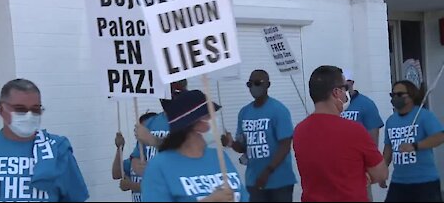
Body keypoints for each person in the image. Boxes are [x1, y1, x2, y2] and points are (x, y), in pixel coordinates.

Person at [0, 79, 89, 202]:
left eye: (35, 109)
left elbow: (75, 197)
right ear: (1, 109)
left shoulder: (57, 149)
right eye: (20, 109)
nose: (29, 115)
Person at [293, 65, 388, 202]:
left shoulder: (299, 131)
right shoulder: (354, 130)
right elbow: (381, 173)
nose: (346, 94)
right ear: (336, 92)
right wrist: (365, 177)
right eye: (345, 88)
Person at [141, 90, 248, 202]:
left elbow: (243, 197)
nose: (215, 120)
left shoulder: (219, 156)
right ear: (193, 124)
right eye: (209, 116)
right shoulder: (159, 166)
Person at [221, 69, 296, 202]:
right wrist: (230, 142)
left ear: (268, 84)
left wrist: (268, 171)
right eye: (250, 84)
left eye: (257, 83)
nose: (253, 87)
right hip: (254, 181)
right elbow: (244, 147)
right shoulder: (244, 112)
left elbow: (285, 146)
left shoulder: (279, 110)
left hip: (279, 182)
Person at [381, 80, 444, 202]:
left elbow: (440, 136)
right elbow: (388, 147)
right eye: (392, 95)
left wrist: (415, 146)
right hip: (398, 182)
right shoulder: (391, 121)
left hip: (424, 182)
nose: (395, 98)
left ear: (411, 96)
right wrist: (383, 170)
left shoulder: (424, 116)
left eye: (399, 94)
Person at [341, 70, 384, 201]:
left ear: (352, 83)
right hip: (338, 165)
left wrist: (371, 166)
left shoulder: (366, 104)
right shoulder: (335, 105)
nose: (344, 89)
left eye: (345, 86)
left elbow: (373, 136)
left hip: (359, 166)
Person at [131, 80, 188, 177]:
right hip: (156, 185)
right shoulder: (150, 122)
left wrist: (153, 140)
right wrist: (136, 165)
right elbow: (136, 155)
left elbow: (187, 152)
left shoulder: (191, 122)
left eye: (176, 91)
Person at [112, 112, 157, 202]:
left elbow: (158, 187)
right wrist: (120, 148)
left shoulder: (160, 157)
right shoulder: (135, 158)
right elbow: (116, 174)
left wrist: (131, 185)